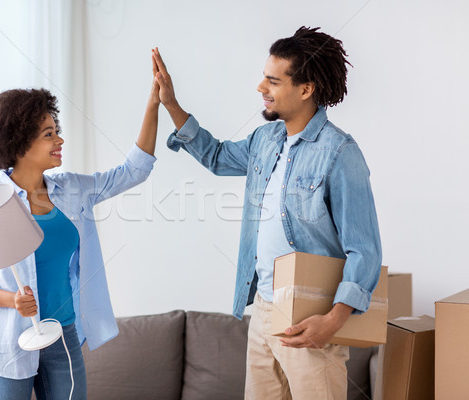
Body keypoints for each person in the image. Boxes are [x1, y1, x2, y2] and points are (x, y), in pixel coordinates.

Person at [152, 26, 382, 400]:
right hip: (262, 311)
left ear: (306, 89)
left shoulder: (340, 153)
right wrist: (172, 104)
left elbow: (364, 248)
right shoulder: (266, 139)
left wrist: (333, 320)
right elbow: (216, 156)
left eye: (273, 81)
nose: (261, 87)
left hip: (311, 317)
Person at [0, 51, 161, 400]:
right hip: (7, 343)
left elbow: (133, 171)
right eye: (49, 134)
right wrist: (11, 299)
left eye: (56, 131)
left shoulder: (72, 189)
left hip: (61, 334)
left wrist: (154, 104)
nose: (59, 140)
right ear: (20, 143)